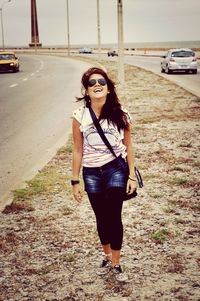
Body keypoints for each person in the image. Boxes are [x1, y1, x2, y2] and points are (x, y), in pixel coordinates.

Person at [71, 67, 136, 282]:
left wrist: (132, 176)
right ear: (87, 91)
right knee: (101, 217)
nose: (96, 85)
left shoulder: (121, 114)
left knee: (113, 216)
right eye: (91, 83)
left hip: (115, 168)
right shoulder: (79, 116)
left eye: (101, 82)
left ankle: (116, 264)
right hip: (91, 172)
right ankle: (106, 256)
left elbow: (129, 146)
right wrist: (74, 180)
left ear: (108, 88)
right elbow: (77, 149)